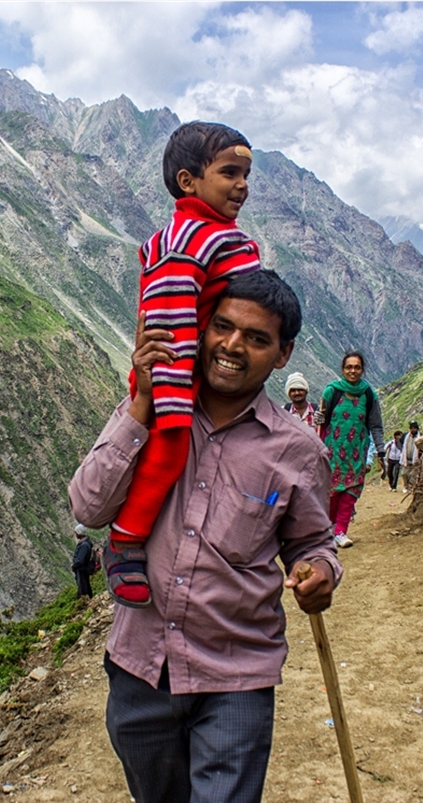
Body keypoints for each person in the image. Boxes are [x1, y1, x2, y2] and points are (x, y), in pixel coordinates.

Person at [69, 269, 341, 803]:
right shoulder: (151, 412)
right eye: (222, 327)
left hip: (236, 676)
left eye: (257, 338)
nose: (233, 347)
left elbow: (312, 542)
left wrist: (319, 572)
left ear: (283, 353)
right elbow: (88, 508)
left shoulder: (298, 450)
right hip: (140, 668)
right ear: (202, 327)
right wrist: (142, 405)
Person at [106, 121, 262, 609]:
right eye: (229, 172)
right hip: (169, 374)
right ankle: (125, 541)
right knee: (169, 453)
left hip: (186, 373)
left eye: (246, 174)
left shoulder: (212, 234)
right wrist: (167, 399)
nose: (242, 185)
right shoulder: (189, 240)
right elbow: (169, 318)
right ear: (188, 182)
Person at [315, 350, 385, 548]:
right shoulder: (331, 391)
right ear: (342, 369)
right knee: (332, 493)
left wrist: (380, 450)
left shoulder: (368, 394)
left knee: (350, 494)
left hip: (356, 454)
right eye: (349, 367)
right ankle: (328, 529)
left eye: (357, 367)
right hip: (332, 453)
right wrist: (319, 420)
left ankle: (341, 532)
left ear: (362, 370)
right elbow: (322, 420)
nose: (352, 371)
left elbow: (376, 426)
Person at [71, 524, 95, 598]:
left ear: (79, 533)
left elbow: (80, 560)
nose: (75, 534)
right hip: (83, 569)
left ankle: (85, 600)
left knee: (83, 586)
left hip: (82, 570)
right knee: (85, 584)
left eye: (76, 532)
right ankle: (89, 598)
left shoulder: (84, 545)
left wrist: (74, 566)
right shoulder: (86, 543)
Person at [400, 420, 420, 493]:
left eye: (414, 428)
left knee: (413, 475)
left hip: (415, 459)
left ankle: (411, 487)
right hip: (406, 458)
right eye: (411, 428)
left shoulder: (420, 437)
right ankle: (405, 486)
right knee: (404, 473)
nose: (413, 429)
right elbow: (400, 444)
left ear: (417, 429)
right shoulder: (405, 436)